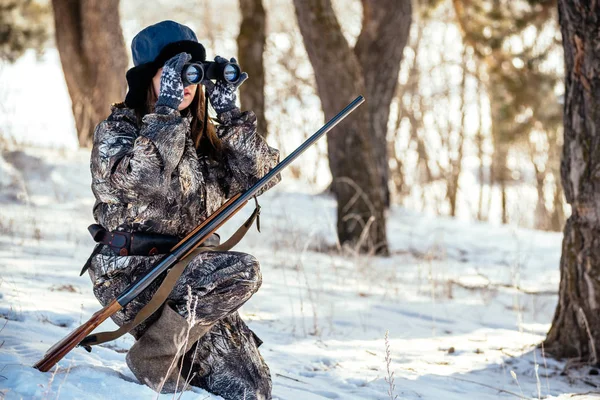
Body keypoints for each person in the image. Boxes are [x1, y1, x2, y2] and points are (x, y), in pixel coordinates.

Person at [86, 20, 280, 400]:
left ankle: (173, 349)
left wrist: (231, 117)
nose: (187, 83)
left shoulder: (205, 138)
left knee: (251, 388)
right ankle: (155, 357)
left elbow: (262, 178)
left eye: (194, 73)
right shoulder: (119, 131)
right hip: (136, 274)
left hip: (196, 283)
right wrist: (166, 115)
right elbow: (145, 180)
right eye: (173, 73)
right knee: (243, 270)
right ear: (149, 79)